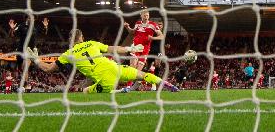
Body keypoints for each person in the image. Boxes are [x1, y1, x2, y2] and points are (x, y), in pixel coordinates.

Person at [26, 29, 179, 93]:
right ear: (82, 38)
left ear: (70, 41)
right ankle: (167, 84)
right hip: (115, 67)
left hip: (105, 80)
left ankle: (120, 91)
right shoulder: (92, 43)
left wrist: (36, 60)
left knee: (86, 91)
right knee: (142, 75)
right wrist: (129, 49)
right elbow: (112, 49)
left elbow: (48, 69)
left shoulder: (68, 53)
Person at [124, 10, 164, 88]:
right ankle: (128, 87)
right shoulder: (138, 24)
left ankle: (133, 86)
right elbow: (132, 32)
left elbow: (161, 36)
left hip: (145, 49)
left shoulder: (153, 25)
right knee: (132, 66)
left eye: (147, 16)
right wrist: (127, 27)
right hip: (135, 47)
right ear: (141, 16)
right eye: (144, 15)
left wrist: (152, 37)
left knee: (138, 71)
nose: (146, 17)